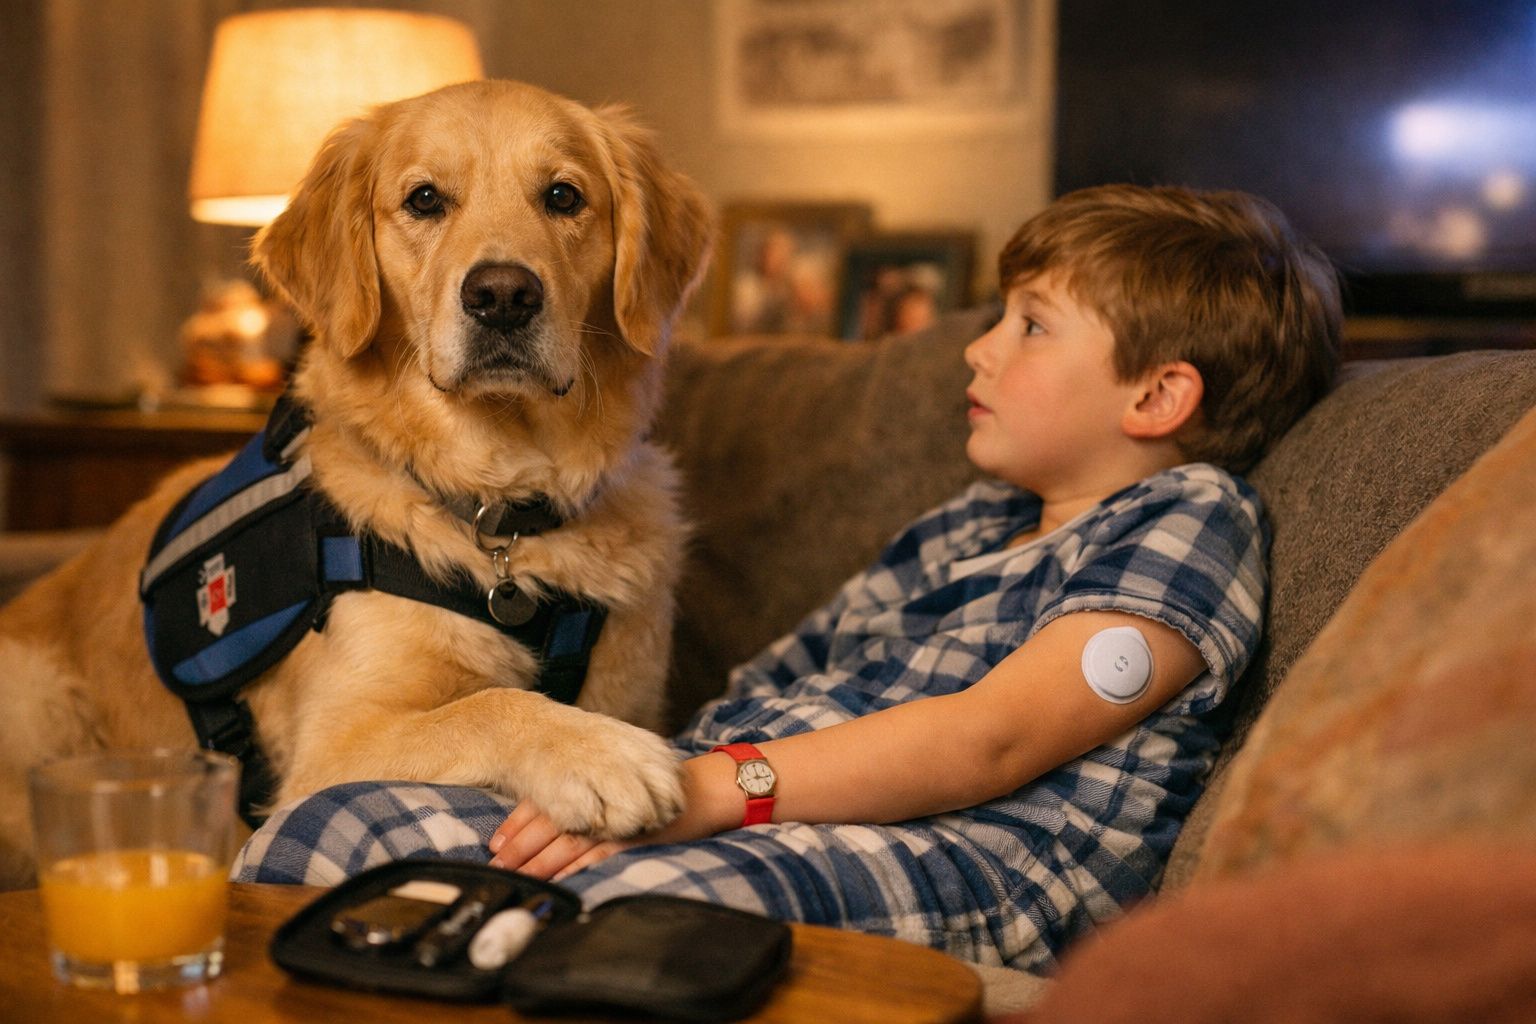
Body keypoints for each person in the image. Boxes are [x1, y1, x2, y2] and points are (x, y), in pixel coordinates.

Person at [233, 184, 1341, 973]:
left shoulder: (1185, 519)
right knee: (324, 830)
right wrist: (656, 786)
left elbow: (989, 742)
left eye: (1030, 327)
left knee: (621, 919)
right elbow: (780, 674)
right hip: (766, 817)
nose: (977, 350)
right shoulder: (966, 528)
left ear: (1157, 399)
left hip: (965, 862)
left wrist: (715, 793)